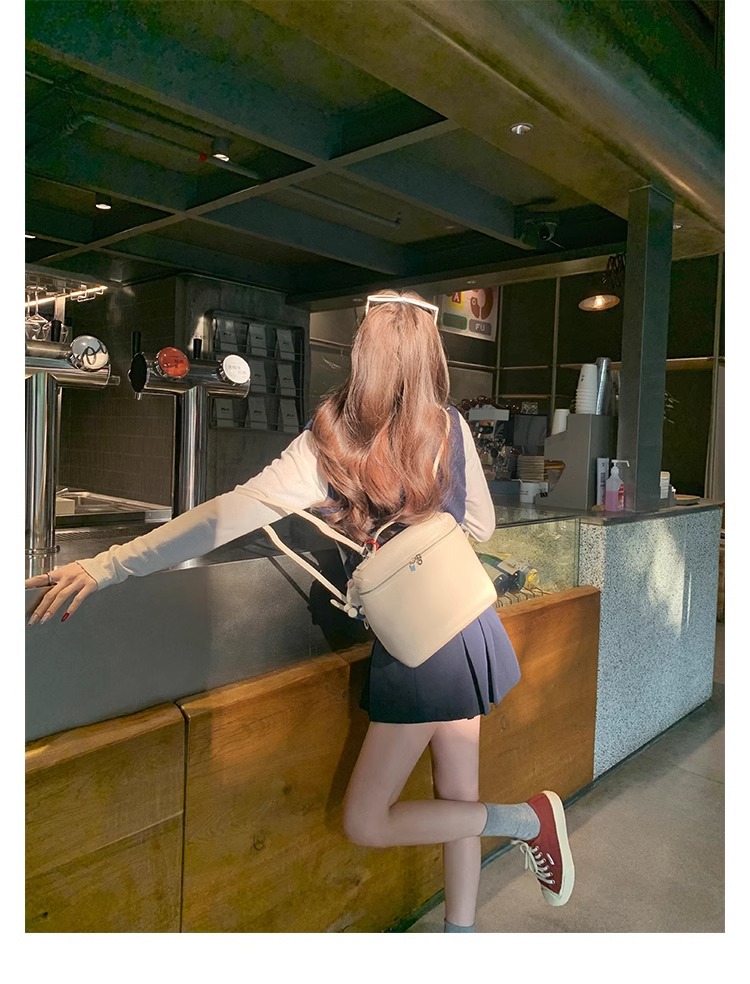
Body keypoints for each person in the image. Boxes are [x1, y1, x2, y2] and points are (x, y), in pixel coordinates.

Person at [26, 289, 574, 931]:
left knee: (368, 820)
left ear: (362, 355)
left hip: (419, 643)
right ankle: (464, 931)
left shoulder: (330, 442)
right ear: (432, 357)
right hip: (466, 621)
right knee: (457, 795)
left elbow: (224, 515)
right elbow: (479, 526)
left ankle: (527, 821)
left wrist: (110, 563)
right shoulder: (448, 425)